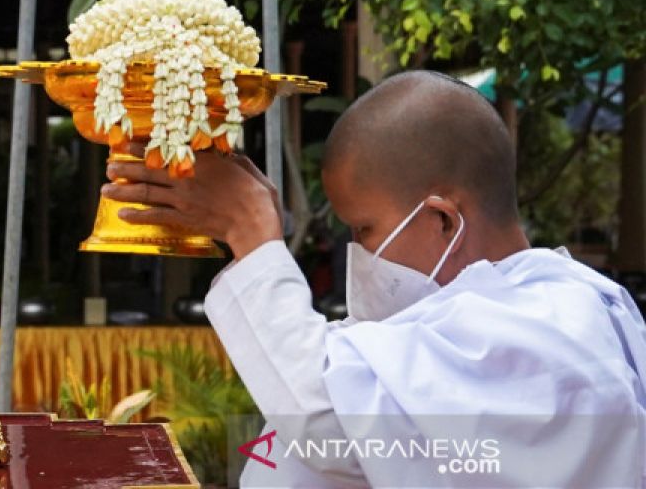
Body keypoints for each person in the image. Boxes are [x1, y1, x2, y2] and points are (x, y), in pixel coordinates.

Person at [103, 70, 646, 487]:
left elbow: (327, 419)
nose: (359, 252)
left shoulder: (553, 326)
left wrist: (253, 235)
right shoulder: (472, 313)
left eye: (364, 228)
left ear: (443, 219)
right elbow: (345, 381)